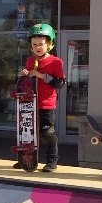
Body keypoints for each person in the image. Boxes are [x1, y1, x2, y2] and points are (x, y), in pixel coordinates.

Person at [17, 23, 65, 173]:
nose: (38, 47)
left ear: (50, 44)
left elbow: (59, 83)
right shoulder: (31, 61)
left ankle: (52, 161)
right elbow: (27, 81)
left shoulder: (56, 62)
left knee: (46, 132)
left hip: (46, 103)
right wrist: (24, 74)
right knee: (28, 133)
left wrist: (40, 75)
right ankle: (27, 159)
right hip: (30, 102)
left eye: (41, 44)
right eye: (34, 44)